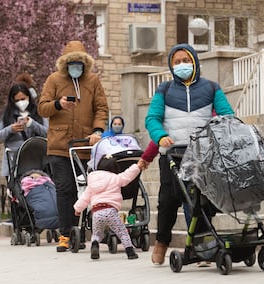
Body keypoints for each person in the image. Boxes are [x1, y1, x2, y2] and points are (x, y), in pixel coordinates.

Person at [145, 43, 234, 265]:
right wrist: (160, 135)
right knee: (167, 202)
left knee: (199, 201)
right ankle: (162, 243)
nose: (182, 65)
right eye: (177, 62)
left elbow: (227, 115)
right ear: (171, 65)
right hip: (172, 153)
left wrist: (220, 129)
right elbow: (152, 118)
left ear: (195, 62)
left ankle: (202, 246)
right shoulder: (164, 90)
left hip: (202, 154)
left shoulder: (211, 88)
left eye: (186, 60)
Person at [38, 40, 109, 252]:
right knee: (64, 189)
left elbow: (101, 108)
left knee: (87, 190)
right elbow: (42, 108)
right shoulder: (54, 79)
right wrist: (58, 104)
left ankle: (87, 229)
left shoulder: (93, 80)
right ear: (65, 64)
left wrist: (97, 131)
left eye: (79, 62)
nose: (75, 66)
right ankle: (65, 234)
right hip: (59, 146)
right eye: (71, 63)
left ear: (85, 63)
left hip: (85, 146)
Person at [74, 155, 147, 260]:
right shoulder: (115, 178)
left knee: (97, 234)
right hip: (110, 211)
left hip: (96, 212)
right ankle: (130, 252)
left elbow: (85, 197)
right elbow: (127, 175)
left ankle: (94, 244)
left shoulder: (92, 182)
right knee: (122, 232)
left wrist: (78, 209)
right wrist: (137, 166)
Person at [0, 82, 48, 179]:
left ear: (29, 97)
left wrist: (32, 124)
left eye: (23, 99)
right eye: (17, 100)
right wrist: (11, 129)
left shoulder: (38, 113)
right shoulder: (7, 115)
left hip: (36, 160)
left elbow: (47, 133)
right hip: (14, 162)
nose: (21, 102)